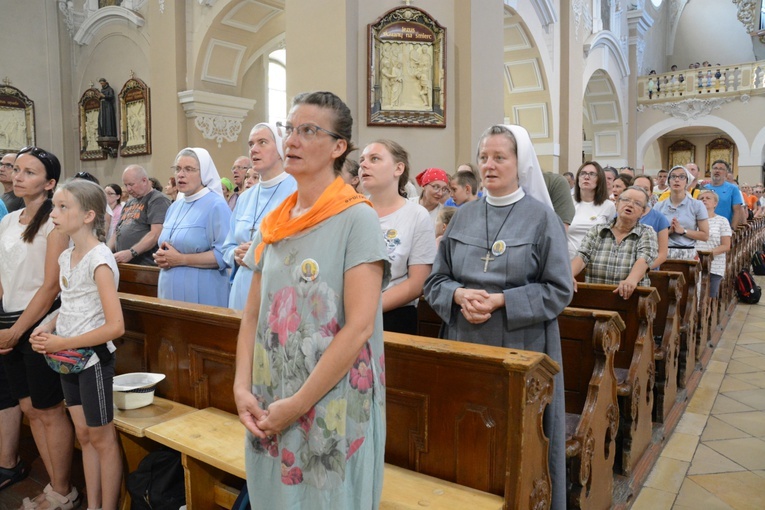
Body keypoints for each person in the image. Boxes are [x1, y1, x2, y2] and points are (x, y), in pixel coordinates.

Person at [233, 91, 388, 509]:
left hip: (328, 401)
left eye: (308, 131)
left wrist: (299, 403)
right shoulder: (275, 221)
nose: (292, 141)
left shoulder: (358, 217)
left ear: (339, 147)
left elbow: (359, 326)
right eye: (290, 129)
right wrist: (240, 386)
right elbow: (252, 315)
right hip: (272, 397)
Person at [424, 124, 571, 510]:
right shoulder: (462, 217)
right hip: (462, 341)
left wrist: (501, 301)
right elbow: (435, 280)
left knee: (514, 442)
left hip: (520, 349)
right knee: (463, 434)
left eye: (500, 157)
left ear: (519, 163)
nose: (489, 165)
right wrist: (457, 294)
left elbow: (560, 290)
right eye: (484, 157)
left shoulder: (542, 219)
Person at [30, 180, 124, 510]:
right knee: (84, 437)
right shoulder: (68, 256)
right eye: (54, 206)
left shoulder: (99, 259)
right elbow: (70, 304)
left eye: (62, 207)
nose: (53, 213)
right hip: (66, 357)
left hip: (92, 361)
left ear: (87, 215)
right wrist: (46, 325)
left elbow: (115, 326)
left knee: (102, 438)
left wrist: (62, 341)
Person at [0, 147, 79, 508]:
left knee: (49, 410)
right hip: (8, 321)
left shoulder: (54, 223)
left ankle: (64, 490)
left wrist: (17, 331)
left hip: (37, 327)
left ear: (49, 184)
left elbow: (50, 287)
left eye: (29, 172)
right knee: (30, 410)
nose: (18, 176)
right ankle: (53, 487)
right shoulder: (7, 220)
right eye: (16, 169)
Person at [359, 139, 436, 334]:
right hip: (350, 310)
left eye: (374, 159)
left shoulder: (416, 215)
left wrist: (370, 309)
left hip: (393, 314)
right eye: (362, 160)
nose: (364, 165)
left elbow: (417, 282)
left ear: (398, 168)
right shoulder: (353, 210)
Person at [223, 122, 296, 311]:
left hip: (277, 288)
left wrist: (260, 254)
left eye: (262, 142)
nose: (254, 149)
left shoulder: (297, 191)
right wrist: (236, 254)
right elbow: (227, 246)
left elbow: (303, 246)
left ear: (280, 148)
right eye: (251, 144)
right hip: (241, 286)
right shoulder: (245, 197)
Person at [154, 148, 231, 307]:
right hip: (168, 292)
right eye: (178, 169)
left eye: (189, 169)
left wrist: (181, 259)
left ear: (204, 173)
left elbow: (224, 254)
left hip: (203, 293)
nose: (180, 174)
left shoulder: (216, 205)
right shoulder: (175, 207)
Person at [571, 186, 658, 299]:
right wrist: (569, 275)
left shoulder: (647, 232)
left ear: (642, 212)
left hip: (631, 298)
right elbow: (582, 255)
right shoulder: (597, 230)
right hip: (595, 297)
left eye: (637, 203)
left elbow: (645, 259)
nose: (630, 205)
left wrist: (630, 280)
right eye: (626, 200)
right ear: (616, 204)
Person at [109, 165, 171, 265]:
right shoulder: (130, 203)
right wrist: (106, 251)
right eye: (125, 185)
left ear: (144, 180)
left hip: (145, 265)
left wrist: (131, 252)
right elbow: (117, 232)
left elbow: (156, 234)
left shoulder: (157, 200)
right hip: (124, 264)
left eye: (131, 184)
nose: (128, 189)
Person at [654, 165, 709, 260]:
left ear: (687, 181)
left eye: (681, 177)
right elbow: (652, 234)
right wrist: (669, 231)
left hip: (688, 254)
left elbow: (705, 235)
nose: (677, 180)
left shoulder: (697, 205)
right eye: (673, 176)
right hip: (663, 253)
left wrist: (683, 231)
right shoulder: (659, 206)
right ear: (669, 181)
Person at [568, 162, 616, 259]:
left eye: (592, 174)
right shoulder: (568, 202)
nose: (586, 177)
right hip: (568, 260)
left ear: (600, 180)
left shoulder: (608, 206)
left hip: (595, 261)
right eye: (583, 173)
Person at [696, 190, 732, 300]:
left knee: (708, 298)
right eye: (701, 198)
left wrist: (706, 255)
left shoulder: (722, 221)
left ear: (715, 203)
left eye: (708, 198)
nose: (704, 200)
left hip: (714, 265)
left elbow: (726, 245)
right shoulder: (693, 220)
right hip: (694, 263)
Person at [633, 175, 669, 268]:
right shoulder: (619, 215)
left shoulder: (659, 218)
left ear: (650, 194)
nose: (641, 191)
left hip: (648, 271)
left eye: (645, 189)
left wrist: (641, 270)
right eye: (637, 188)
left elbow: (662, 255)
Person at [706, 160, 745, 230]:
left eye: (721, 169)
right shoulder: (704, 188)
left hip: (724, 228)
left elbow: (737, 211)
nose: (717, 171)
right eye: (715, 168)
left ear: (726, 173)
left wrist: (732, 229)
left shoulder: (733, 189)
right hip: (705, 227)